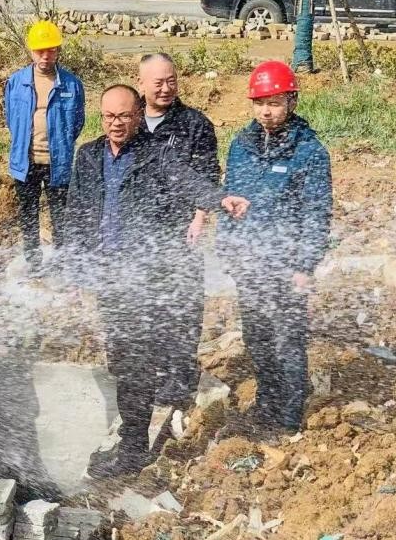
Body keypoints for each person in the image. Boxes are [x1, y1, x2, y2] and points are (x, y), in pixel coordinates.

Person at [66, 85, 249, 478]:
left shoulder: (156, 154)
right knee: (121, 360)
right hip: (108, 276)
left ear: (138, 116)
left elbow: (188, 181)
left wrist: (219, 200)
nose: (116, 124)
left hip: (142, 280)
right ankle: (131, 436)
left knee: (135, 365)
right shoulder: (89, 156)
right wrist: (75, 267)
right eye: (109, 117)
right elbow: (77, 214)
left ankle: (133, 449)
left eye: (124, 117)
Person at [219, 61, 332, 434]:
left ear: (292, 101)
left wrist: (304, 264)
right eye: (260, 102)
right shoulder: (241, 146)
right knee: (258, 336)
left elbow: (317, 213)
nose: (267, 111)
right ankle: (267, 402)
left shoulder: (309, 152)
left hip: (286, 265)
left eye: (275, 102)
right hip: (249, 262)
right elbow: (229, 199)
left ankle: (289, 413)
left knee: (287, 339)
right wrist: (228, 248)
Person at [136, 52, 221, 417]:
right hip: (140, 232)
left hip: (180, 229)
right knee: (146, 305)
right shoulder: (130, 121)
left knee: (182, 306)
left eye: (171, 80)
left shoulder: (193, 125)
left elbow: (207, 176)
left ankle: (180, 379)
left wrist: (200, 217)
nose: (166, 88)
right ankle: (151, 373)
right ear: (141, 83)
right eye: (158, 82)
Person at [3, 20, 85, 271]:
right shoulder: (16, 82)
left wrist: (61, 145)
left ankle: (61, 266)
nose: (45, 56)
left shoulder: (71, 84)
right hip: (25, 163)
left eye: (51, 50)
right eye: (40, 51)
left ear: (58, 51)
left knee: (60, 217)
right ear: (31, 51)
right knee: (28, 216)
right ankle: (34, 264)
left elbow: (78, 121)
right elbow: (10, 118)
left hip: (57, 164)